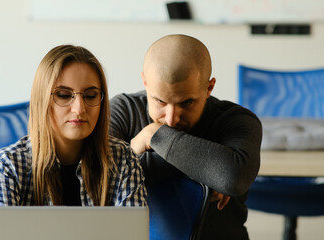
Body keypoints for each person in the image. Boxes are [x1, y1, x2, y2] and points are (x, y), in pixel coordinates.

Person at [110, 34, 262, 239]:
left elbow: (232, 177)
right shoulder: (123, 110)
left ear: (209, 88)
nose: (171, 120)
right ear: (145, 82)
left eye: (186, 103)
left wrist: (153, 136)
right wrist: (205, 168)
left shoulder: (237, 120)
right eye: (160, 102)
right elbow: (103, 181)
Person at [0, 44, 147, 207]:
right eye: (63, 95)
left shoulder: (123, 159)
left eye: (90, 96)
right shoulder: (4, 169)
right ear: (42, 100)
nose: (79, 109)